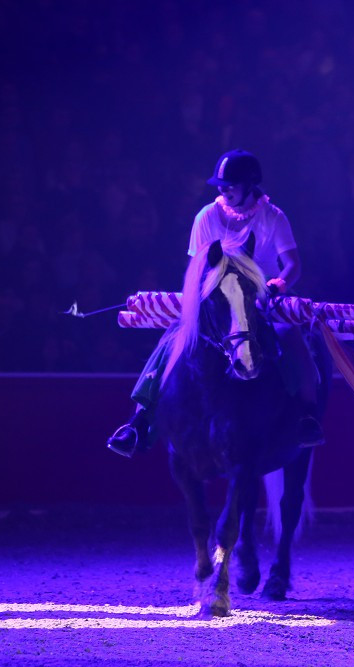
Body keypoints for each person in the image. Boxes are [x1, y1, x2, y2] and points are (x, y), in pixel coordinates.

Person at [107, 149, 324, 457]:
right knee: (172, 340)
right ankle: (139, 421)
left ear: (249, 184)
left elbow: (293, 264)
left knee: (292, 339)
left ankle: (306, 415)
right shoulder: (206, 216)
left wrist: (279, 283)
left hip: (261, 300)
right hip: (217, 303)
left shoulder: (273, 217)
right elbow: (196, 268)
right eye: (220, 184)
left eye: (230, 184)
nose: (223, 189)